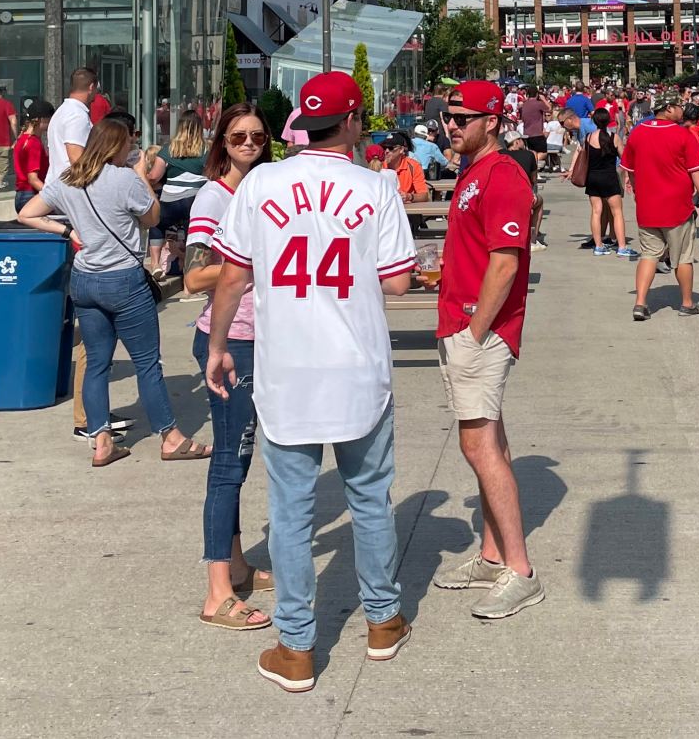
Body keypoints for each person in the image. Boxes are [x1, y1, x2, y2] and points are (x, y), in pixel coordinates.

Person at [204, 75, 415, 690]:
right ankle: (383, 621)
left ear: (301, 122)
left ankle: (296, 648)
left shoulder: (262, 182)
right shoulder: (375, 187)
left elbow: (233, 277)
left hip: (287, 372)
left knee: (291, 514)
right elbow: (398, 282)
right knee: (369, 499)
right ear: (351, 121)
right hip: (357, 370)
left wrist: (218, 345)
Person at [18, 118, 205, 467]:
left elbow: (27, 213)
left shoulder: (68, 180)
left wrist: (66, 232)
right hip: (124, 279)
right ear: (118, 146)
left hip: (85, 280)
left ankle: (101, 439)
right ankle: (171, 437)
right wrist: (140, 176)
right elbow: (152, 218)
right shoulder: (123, 179)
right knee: (147, 363)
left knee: (96, 364)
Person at [429, 80, 544, 619]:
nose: (451, 125)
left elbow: (507, 260)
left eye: (462, 117)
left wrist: (476, 329)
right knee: (490, 439)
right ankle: (493, 552)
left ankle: (519, 570)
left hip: (482, 331)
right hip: (464, 321)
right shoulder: (473, 172)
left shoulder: (502, 175)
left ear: (492, 120)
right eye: (449, 117)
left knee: (478, 447)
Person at [182, 105, 278, 632]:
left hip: (258, 337)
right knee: (227, 462)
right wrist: (263, 258)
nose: (249, 143)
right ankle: (217, 593)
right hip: (229, 341)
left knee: (239, 459)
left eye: (258, 136)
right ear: (222, 140)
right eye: (238, 135)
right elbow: (195, 278)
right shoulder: (213, 197)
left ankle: (236, 565)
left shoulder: (260, 190)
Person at [620, 92, 699, 320]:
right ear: (668, 108)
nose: (682, 110)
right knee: (683, 257)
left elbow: (629, 169)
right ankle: (687, 303)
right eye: (679, 105)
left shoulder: (638, 132)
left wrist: (639, 192)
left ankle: (640, 303)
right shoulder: (682, 135)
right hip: (677, 206)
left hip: (648, 206)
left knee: (649, 254)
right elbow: (695, 171)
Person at [154, 111, 209, 279]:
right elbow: (214, 174)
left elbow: (154, 175)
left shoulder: (168, 149)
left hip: (169, 199)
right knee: (192, 233)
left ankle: (155, 263)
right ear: (199, 128)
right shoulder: (207, 149)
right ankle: (191, 271)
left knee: (156, 225)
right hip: (195, 200)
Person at [582, 107, 628, 257]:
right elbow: (625, 158)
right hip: (609, 177)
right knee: (617, 213)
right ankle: (621, 247)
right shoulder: (614, 137)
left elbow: (584, 156)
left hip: (593, 178)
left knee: (596, 211)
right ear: (609, 120)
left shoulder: (588, 137)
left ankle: (598, 245)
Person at [48, 67, 98, 176]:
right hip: (69, 188)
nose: (97, 92)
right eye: (96, 88)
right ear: (91, 87)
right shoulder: (77, 115)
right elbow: (76, 159)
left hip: (58, 184)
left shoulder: (62, 111)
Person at [12, 101, 52, 210]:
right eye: (49, 119)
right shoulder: (33, 143)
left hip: (21, 194)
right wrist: (53, 196)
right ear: (41, 120)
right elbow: (33, 179)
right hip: (31, 195)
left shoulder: (21, 139)